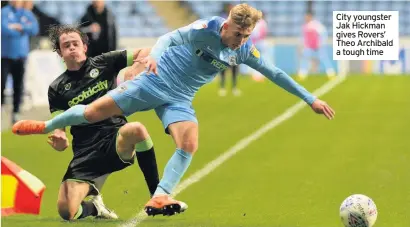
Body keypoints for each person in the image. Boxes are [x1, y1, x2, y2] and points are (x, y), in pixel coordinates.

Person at [12, 4, 336, 216]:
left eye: (246, 35)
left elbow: (275, 73)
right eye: (237, 34)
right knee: (94, 111)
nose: (240, 40)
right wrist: (153, 55)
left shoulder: (244, 50)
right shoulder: (206, 28)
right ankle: (44, 125)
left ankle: (160, 196)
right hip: (154, 80)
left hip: (179, 98)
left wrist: (311, 99)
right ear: (226, 27)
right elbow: (170, 36)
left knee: (189, 142)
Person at [27, 24, 160, 221]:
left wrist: (134, 68)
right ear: (60, 53)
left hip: (114, 136)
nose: (72, 47)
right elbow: (59, 125)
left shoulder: (104, 62)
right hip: (85, 151)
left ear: (84, 47)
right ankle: (95, 208)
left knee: (137, 129)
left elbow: (147, 51)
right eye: (66, 45)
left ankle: (157, 196)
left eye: (75, 43)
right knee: (67, 212)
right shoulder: (56, 88)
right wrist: (60, 137)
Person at [1, 0, 39, 123]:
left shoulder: (26, 13)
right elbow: (3, 29)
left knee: (18, 85)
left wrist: (20, 27)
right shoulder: (4, 12)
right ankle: (1, 107)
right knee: (1, 82)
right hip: (5, 55)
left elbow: (34, 28)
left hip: (21, 55)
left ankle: (16, 111)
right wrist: (20, 31)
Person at [297, 12, 336, 81]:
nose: (306, 18)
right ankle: (302, 74)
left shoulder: (316, 24)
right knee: (305, 59)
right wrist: (304, 45)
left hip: (318, 46)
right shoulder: (305, 26)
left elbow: (323, 33)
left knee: (324, 58)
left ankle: (331, 73)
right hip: (308, 46)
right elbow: (304, 37)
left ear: (310, 17)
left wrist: (321, 43)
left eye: (307, 17)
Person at [218, 2, 240, 97]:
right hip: (224, 47)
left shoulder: (236, 19)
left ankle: (234, 87)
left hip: (232, 48)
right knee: (223, 67)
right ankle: (222, 87)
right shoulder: (223, 18)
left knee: (234, 67)